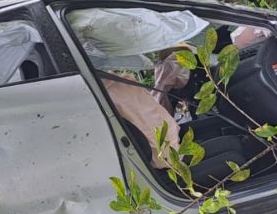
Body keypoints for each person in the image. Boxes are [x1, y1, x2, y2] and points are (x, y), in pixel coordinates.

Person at [102, 73, 246, 189]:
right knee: (234, 160)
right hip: (161, 166)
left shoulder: (114, 87)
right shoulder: (117, 90)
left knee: (233, 143)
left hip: (165, 154)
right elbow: (152, 131)